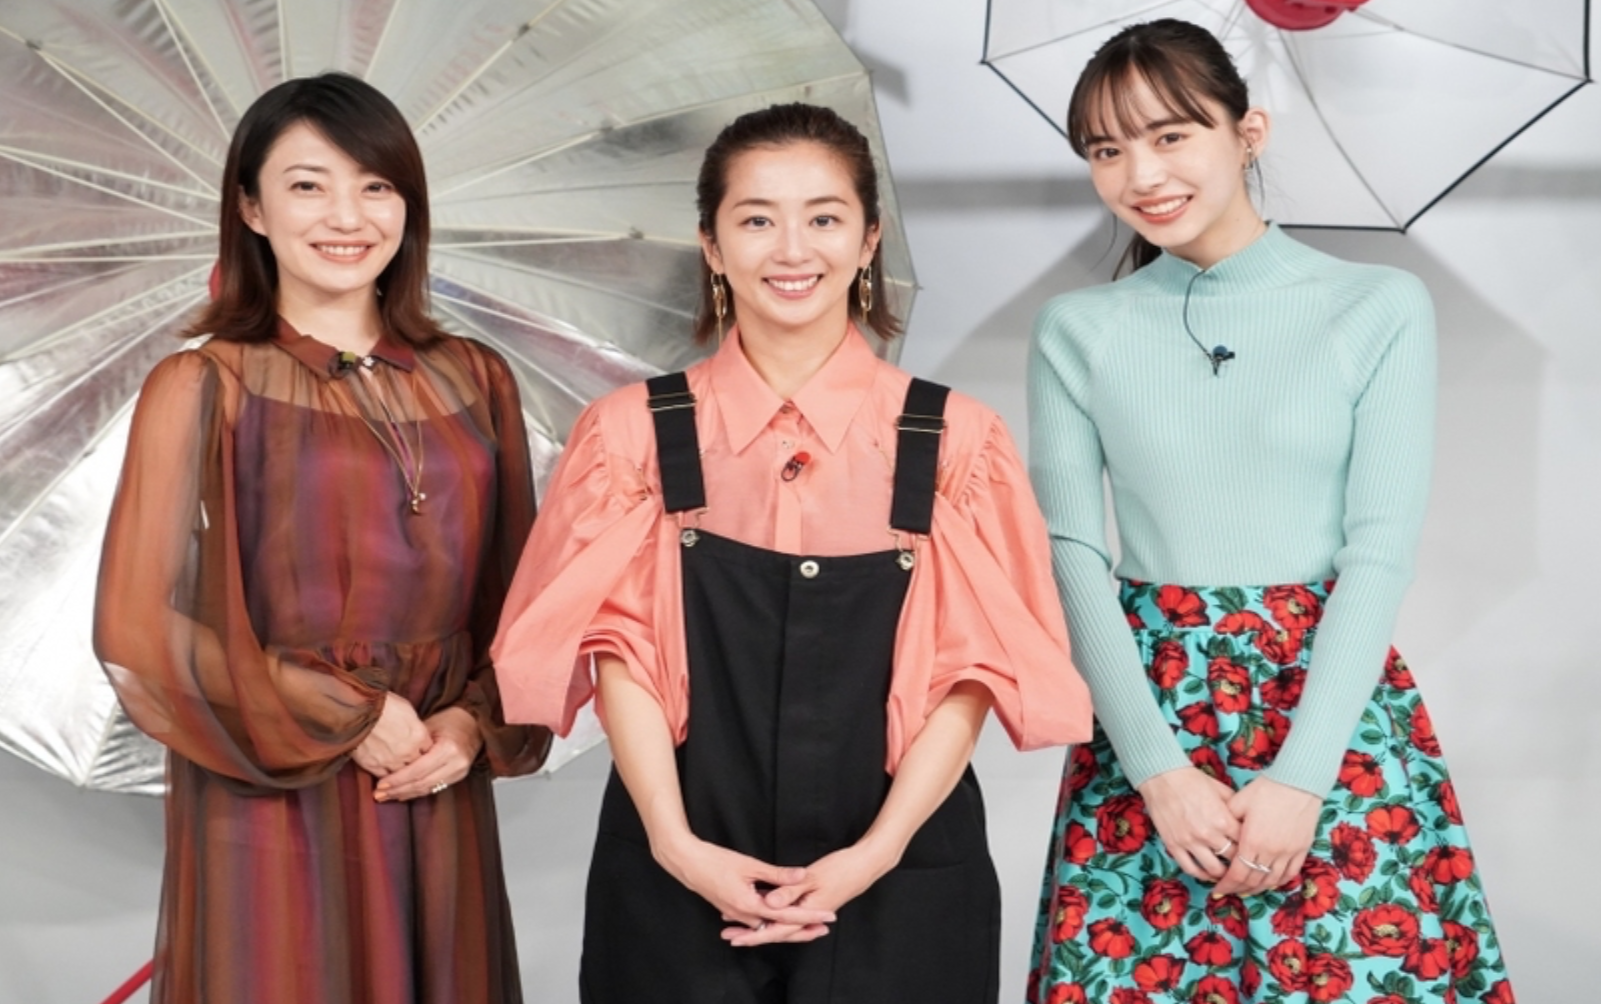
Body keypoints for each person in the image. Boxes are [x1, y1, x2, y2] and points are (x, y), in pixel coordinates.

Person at [491, 102, 1092, 1003]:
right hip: (676, 862)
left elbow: (967, 675)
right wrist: (675, 846)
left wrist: (876, 854)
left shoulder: (957, 441)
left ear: (869, 238)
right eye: (757, 220)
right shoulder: (629, 436)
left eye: (824, 217)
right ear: (710, 243)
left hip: (902, 869)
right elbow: (621, 655)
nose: (792, 249)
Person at [1025, 20, 1513, 1004]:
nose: (1140, 174)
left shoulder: (1376, 305)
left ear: (1248, 132)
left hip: (1330, 717)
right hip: (1148, 716)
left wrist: (1300, 779)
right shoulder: (1077, 328)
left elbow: (1377, 552)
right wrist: (1156, 771)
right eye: (1106, 149)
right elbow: (1071, 553)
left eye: (1170, 135)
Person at [93, 73, 549, 1004]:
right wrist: (347, 713)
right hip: (275, 778)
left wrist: (472, 723)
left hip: (433, 770)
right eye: (308, 185)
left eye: (376, 185)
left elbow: (524, 600)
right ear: (252, 209)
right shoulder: (205, 383)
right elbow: (139, 625)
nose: (348, 216)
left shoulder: (478, 377)